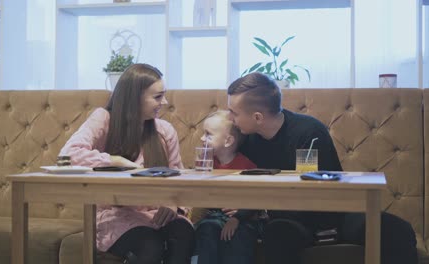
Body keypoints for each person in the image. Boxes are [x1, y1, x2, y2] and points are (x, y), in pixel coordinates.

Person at [226, 72, 418, 264]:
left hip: (335, 214)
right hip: (290, 221)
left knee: (397, 230)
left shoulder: (307, 132)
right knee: (277, 232)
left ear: (257, 117)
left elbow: (307, 187)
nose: (229, 118)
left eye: (233, 113)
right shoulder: (247, 139)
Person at [59, 63, 194, 264]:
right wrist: (114, 160)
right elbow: (68, 155)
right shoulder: (104, 119)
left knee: (184, 233)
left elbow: (178, 175)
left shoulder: (165, 131)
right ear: (135, 97)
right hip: (116, 216)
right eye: (157, 97)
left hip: (157, 213)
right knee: (150, 244)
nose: (164, 102)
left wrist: (173, 204)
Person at [192, 110, 259, 264]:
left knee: (241, 236)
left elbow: (255, 198)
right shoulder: (206, 163)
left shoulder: (246, 167)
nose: (202, 138)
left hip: (243, 218)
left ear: (228, 141)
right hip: (212, 216)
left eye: (208, 134)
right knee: (207, 228)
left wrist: (237, 218)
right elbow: (198, 193)